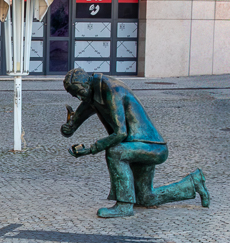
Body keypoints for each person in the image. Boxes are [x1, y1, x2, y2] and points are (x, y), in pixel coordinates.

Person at [61, 68, 210, 218]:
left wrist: (91, 149)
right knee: (145, 197)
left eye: (80, 92)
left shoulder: (112, 90)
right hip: (138, 145)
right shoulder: (93, 92)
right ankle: (193, 182)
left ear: (86, 83)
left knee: (115, 152)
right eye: (75, 95)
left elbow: (120, 133)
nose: (79, 97)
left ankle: (124, 206)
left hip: (151, 147)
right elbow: (74, 123)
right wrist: (68, 128)